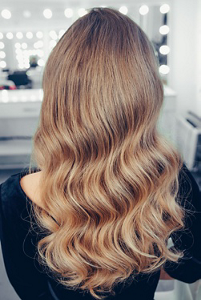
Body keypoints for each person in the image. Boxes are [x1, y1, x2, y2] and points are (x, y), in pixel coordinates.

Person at [0, 7, 201, 300]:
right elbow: (192, 267)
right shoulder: (169, 177)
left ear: (57, 95)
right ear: (145, 92)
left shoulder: (13, 198)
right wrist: (139, 265)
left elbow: (30, 292)